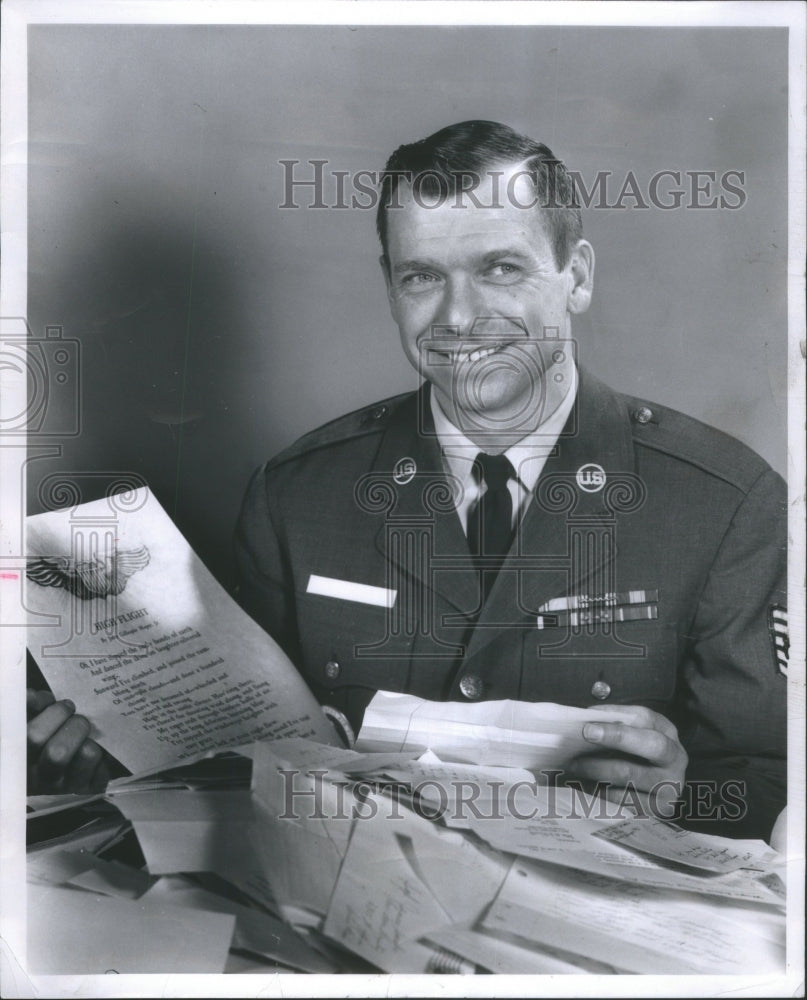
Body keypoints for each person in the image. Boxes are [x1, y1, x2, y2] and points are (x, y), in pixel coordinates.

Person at [27, 121, 788, 843]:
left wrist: (682, 795)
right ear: (390, 286)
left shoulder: (721, 502)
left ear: (576, 276)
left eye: (499, 267)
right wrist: (108, 753)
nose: (459, 316)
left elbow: (770, 780)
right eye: (423, 276)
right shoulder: (297, 495)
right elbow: (243, 756)